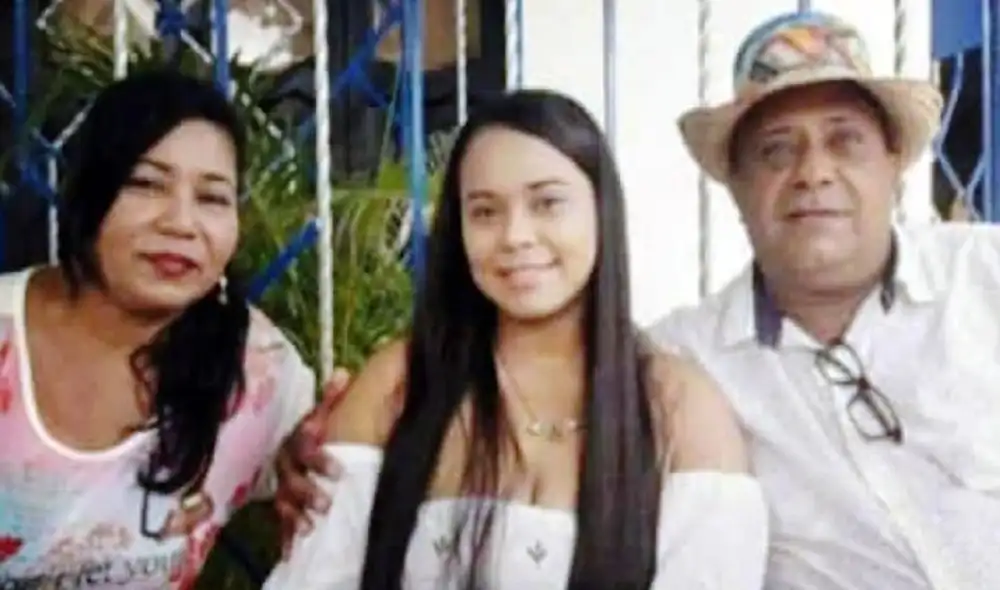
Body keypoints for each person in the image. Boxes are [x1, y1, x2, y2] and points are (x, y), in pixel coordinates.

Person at [264, 89, 768, 588]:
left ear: (601, 210)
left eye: (547, 203)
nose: (515, 236)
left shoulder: (677, 407)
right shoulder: (401, 382)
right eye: (485, 211)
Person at [653, 10, 998, 589]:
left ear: (895, 165)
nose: (813, 172)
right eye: (776, 151)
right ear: (736, 186)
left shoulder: (986, 277)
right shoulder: (683, 362)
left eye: (845, 141)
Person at [0, 69, 315, 588]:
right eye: (146, 184)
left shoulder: (259, 373)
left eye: (213, 197)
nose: (180, 223)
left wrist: (311, 467)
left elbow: (329, 472)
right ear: (87, 195)